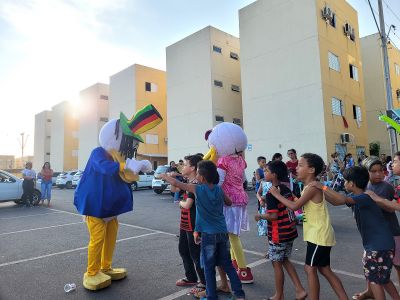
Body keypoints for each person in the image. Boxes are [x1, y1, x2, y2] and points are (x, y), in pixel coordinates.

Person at [310, 167, 399, 300]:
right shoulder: (359, 196)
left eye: (345, 181)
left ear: (352, 183)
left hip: (376, 247)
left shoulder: (364, 197)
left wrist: (322, 186)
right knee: (383, 278)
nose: (344, 184)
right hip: (384, 244)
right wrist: (321, 190)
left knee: (375, 281)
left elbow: (340, 200)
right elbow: (336, 201)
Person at [162, 160, 245, 300]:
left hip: (209, 235)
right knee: (228, 265)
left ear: (202, 177)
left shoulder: (198, 189)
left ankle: (211, 295)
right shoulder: (218, 189)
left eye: (198, 172)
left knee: (208, 267)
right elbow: (229, 202)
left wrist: (165, 176)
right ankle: (239, 294)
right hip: (222, 232)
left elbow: (177, 184)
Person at [269, 153, 347, 300]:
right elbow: (301, 204)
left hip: (319, 235)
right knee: (325, 270)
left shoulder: (313, 187)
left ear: (311, 170)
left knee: (309, 268)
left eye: (300, 165)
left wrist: (276, 194)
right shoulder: (309, 187)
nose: (296, 168)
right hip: (317, 234)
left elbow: (294, 206)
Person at [255, 161, 307, 300]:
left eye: (266, 170)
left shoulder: (273, 193)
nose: (263, 173)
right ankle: (299, 289)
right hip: (289, 231)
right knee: (285, 260)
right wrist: (266, 199)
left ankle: (279, 295)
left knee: (276, 263)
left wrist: (260, 216)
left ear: (274, 174)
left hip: (278, 234)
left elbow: (273, 216)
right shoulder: (284, 188)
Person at [351, 156, 400, 300]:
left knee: (396, 264)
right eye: (374, 171)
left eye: (381, 170)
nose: (379, 174)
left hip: (390, 232)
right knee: (371, 266)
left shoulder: (385, 187)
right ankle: (370, 291)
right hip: (372, 235)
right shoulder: (364, 187)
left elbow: (390, 208)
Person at [171, 155, 206, 295]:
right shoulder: (187, 181)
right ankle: (191, 277)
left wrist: (179, 203)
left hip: (194, 225)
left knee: (195, 254)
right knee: (183, 250)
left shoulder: (195, 184)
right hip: (185, 223)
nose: (182, 166)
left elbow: (187, 205)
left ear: (192, 168)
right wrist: (174, 179)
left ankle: (203, 282)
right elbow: (174, 190)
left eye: (185, 164)